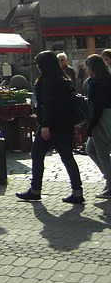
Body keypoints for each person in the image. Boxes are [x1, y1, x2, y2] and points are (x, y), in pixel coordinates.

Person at [16, 51, 84, 203]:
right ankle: (77, 191)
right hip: (66, 123)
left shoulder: (47, 80)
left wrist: (45, 125)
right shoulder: (63, 79)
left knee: (37, 154)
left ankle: (35, 189)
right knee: (67, 156)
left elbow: (49, 104)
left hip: (51, 124)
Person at [83, 54, 111, 199]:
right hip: (105, 117)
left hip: (102, 120)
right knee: (90, 149)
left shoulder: (97, 83)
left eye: (87, 66)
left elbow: (98, 107)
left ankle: (110, 184)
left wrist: (91, 126)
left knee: (102, 153)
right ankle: (108, 178)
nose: (86, 69)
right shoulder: (106, 80)